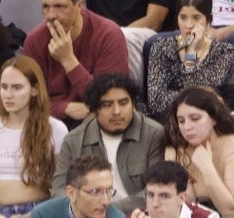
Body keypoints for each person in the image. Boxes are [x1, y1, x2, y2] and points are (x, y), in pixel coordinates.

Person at [20, 0, 129, 122]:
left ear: (79, 6)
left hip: (99, 121)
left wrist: (68, 60)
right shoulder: (34, 41)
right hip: (49, 120)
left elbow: (109, 101)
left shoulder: (108, 35)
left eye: (60, 7)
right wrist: (64, 108)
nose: (50, 15)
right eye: (45, 6)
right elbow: (28, 100)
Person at [52, 74, 164, 210]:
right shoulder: (73, 140)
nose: (117, 112)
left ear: (133, 104)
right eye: (107, 105)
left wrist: (108, 211)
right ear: (94, 110)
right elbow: (59, 191)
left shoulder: (154, 134)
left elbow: (157, 190)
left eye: (123, 103)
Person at [0, 55, 67, 216]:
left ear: (34, 89)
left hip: (40, 210)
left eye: (17, 88)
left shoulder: (55, 129)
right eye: (4, 87)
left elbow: (62, 182)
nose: (8, 95)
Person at [161, 86, 234, 211]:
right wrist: (178, 172)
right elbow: (189, 203)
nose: (187, 127)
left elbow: (228, 209)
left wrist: (207, 167)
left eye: (195, 118)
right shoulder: (180, 149)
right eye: (181, 121)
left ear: (214, 119)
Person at [142, 0, 234, 122]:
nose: (188, 25)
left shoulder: (224, 52)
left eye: (196, 17)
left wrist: (191, 53)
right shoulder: (161, 48)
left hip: (206, 122)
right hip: (166, 120)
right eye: (183, 17)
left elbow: (201, 100)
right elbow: (156, 102)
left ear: (208, 20)